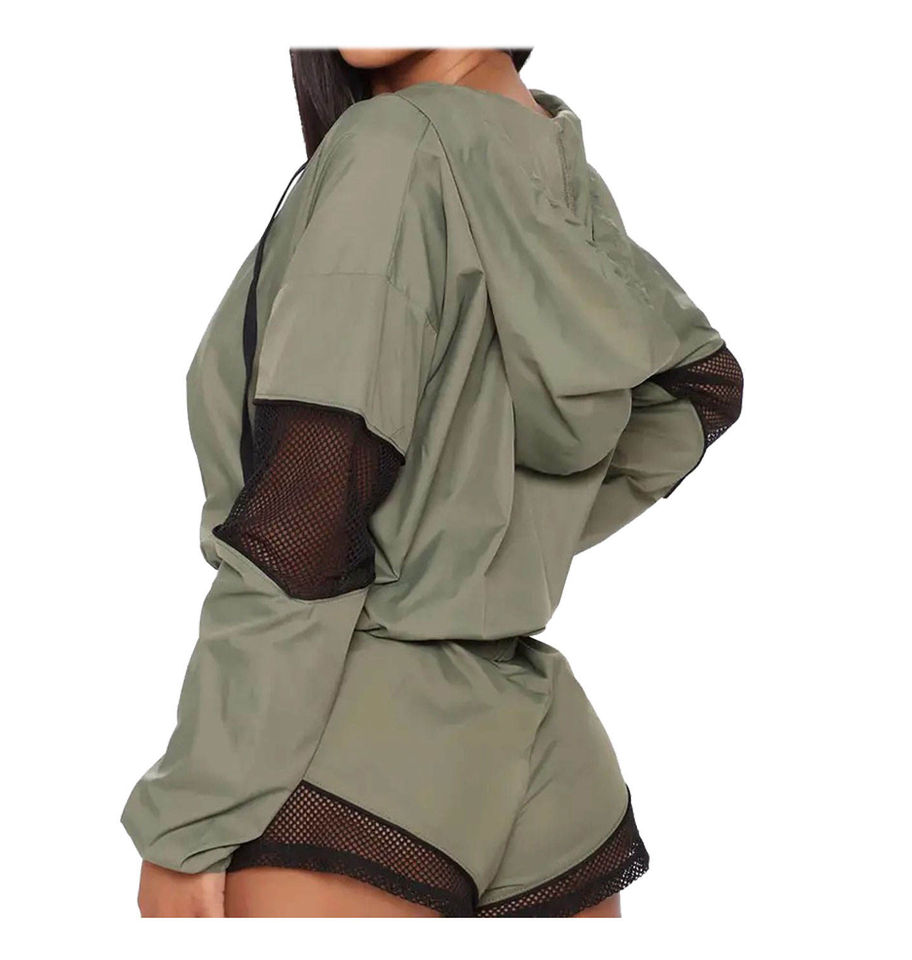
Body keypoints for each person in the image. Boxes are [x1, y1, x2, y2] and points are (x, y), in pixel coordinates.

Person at [121, 47, 744, 918]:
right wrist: (486, 538)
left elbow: (304, 523)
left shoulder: (389, 147)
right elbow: (700, 387)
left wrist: (191, 817)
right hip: (551, 776)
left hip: (346, 762)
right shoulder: (551, 168)